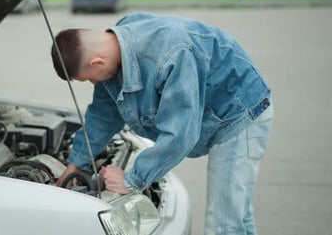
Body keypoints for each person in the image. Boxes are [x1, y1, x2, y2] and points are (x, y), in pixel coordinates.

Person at [51, 13, 274, 235]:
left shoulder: (172, 55)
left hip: (240, 114)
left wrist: (131, 180)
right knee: (236, 214)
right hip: (219, 112)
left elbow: (181, 134)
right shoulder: (115, 47)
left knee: (224, 224)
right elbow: (103, 115)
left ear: (97, 62)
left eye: (89, 77)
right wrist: (76, 164)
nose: (93, 82)